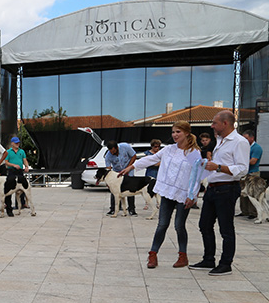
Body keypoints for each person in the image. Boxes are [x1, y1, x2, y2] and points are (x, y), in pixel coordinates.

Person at [119, 122, 202, 269]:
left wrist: (193, 195)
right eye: (173, 132)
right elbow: (151, 159)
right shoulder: (169, 149)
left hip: (183, 194)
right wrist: (132, 166)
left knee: (179, 226)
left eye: (178, 132)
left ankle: (183, 256)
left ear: (187, 133)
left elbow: (197, 175)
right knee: (162, 224)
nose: (175, 135)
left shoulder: (194, 153)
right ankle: (152, 255)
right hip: (167, 192)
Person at [188, 110, 250, 276]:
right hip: (213, 187)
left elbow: (243, 169)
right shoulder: (220, 141)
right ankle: (209, 259)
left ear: (225, 123)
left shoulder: (239, 142)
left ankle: (226, 263)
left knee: (226, 228)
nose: (212, 125)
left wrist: (218, 167)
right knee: (204, 225)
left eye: (214, 123)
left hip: (227, 188)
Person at [103, 139, 137, 216]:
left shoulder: (125, 146)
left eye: (113, 150)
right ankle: (113, 209)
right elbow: (108, 169)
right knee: (114, 190)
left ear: (116, 147)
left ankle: (131, 209)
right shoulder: (108, 156)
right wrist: (109, 181)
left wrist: (128, 168)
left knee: (130, 190)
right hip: (117, 173)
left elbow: (134, 156)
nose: (111, 152)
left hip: (128, 170)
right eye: (110, 151)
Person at [0, 136, 30, 217]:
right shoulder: (8, 152)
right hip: (11, 171)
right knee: (9, 189)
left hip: (20, 171)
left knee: (22, 187)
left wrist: (26, 166)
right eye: (16, 143)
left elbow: (24, 160)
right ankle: (9, 208)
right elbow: (6, 162)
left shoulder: (22, 151)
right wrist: (13, 165)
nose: (17, 144)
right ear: (12, 143)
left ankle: (20, 204)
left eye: (18, 142)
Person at [237, 129, 262, 218]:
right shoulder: (245, 147)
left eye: (246, 138)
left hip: (252, 173)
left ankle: (253, 212)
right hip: (244, 173)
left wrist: (240, 161)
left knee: (252, 194)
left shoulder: (256, 148)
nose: (244, 140)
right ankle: (244, 211)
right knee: (243, 193)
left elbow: (253, 161)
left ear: (252, 138)